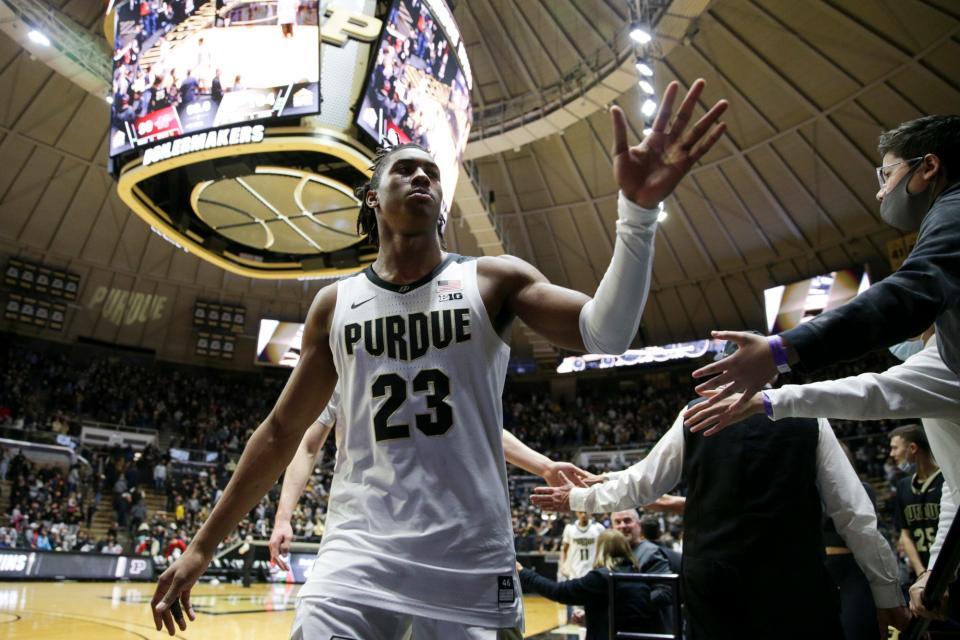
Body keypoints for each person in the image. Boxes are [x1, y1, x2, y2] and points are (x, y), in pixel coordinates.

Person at [149, 79, 729, 638]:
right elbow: (280, 433)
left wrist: (638, 214)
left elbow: (607, 334)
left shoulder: (493, 279)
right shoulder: (336, 304)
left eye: (432, 171)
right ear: (372, 197)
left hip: (470, 556)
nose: (423, 174)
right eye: (406, 168)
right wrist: (202, 546)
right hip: (358, 555)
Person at [532, 373, 909, 639]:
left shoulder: (694, 413)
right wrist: (888, 594)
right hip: (792, 581)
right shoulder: (807, 416)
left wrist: (579, 498)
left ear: (723, 376)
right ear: (771, 375)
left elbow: (642, 483)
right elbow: (855, 515)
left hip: (714, 579)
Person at [689, 115, 960, 425]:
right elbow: (878, 391)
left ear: (928, 166)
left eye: (887, 175)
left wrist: (781, 350)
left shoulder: (953, 211)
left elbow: (910, 293)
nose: (881, 192)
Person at [683, 338, 960, 622]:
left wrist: (766, 398)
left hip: (801, 578)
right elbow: (958, 487)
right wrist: (937, 570)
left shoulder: (948, 355)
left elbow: (871, 391)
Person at [268, 390, 600, 569]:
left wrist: (543, 466)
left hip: (435, 535)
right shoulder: (341, 364)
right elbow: (308, 445)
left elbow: (483, 427)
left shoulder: (439, 360)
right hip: (358, 535)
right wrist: (283, 516)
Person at [517, 530, 668, 640]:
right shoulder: (635, 574)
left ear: (600, 549)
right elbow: (623, 614)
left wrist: (523, 572)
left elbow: (558, 592)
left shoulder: (601, 577)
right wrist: (591, 616)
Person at [559, 511, 606, 582]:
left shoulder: (599, 527)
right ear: (576, 513)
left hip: (594, 571)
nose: (583, 515)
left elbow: (605, 549)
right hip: (574, 571)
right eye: (580, 512)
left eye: (585, 512)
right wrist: (562, 565)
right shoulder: (569, 528)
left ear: (590, 513)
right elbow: (564, 549)